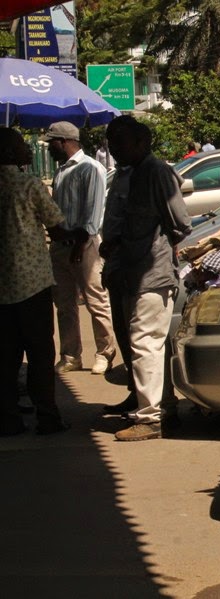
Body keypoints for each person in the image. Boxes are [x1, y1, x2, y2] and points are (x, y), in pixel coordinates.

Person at [102, 116, 191, 441]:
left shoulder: (157, 172)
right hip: (133, 273)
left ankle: (150, 418)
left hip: (152, 275)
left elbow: (181, 223)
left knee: (145, 345)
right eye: (110, 142)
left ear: (141, 142)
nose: (113, 149)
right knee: (150, 345)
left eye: (119, 141)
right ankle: (163, 409)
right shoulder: (134, 173)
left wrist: (155, 246)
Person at [0, 127, 80, 436]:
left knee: (6, 357)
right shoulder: (29, 185)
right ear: (10, 153)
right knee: (40, 354)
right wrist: (76, 235)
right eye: (22, 145)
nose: (28, 150)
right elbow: (56, 227)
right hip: (32, 284)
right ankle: (47, 416)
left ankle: (8, 418)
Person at [42, 121, 117, 376]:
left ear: (63, 142)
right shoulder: (61, 171)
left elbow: (93, 213)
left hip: (85, 245)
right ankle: (71, 355)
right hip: (60, 246)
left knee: (96, 301)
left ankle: (104, 352)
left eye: (51, 143)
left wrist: (80, 245)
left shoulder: (90, 168)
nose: (48, 148)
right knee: (64, 304)